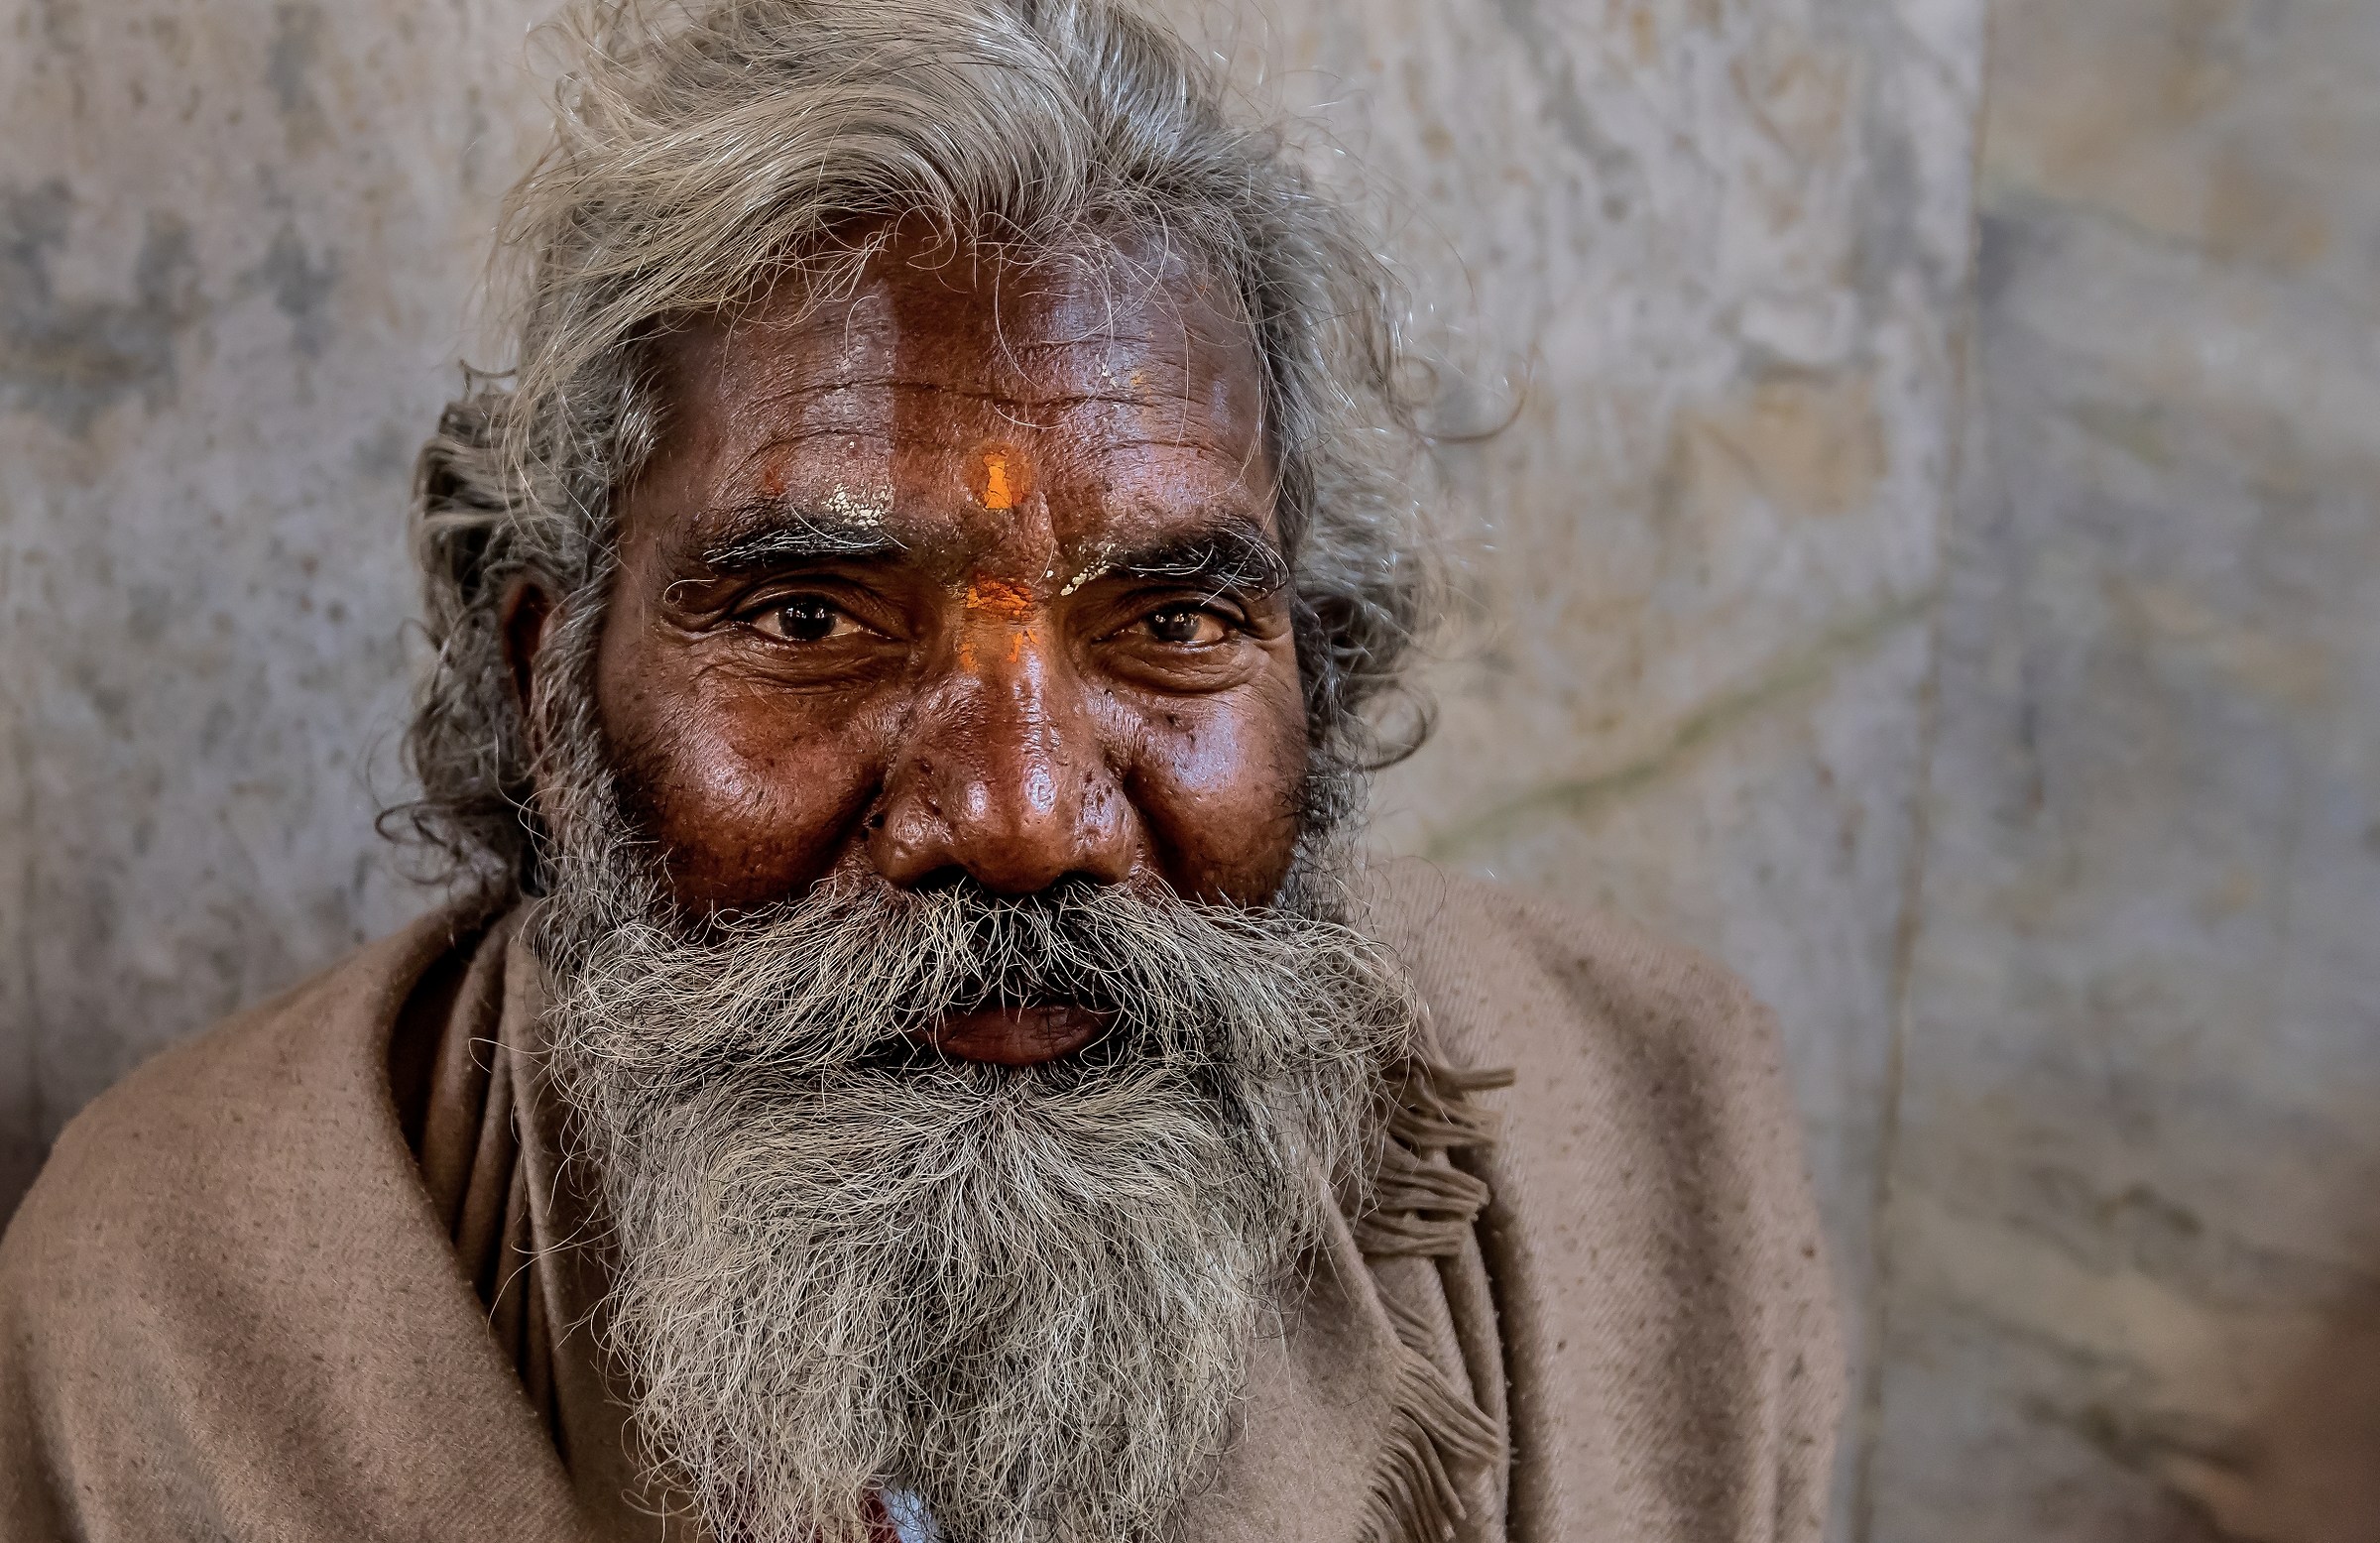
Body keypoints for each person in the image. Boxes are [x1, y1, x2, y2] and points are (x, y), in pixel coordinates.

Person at [0, 2, 1841, 1539]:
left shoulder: (1651, 1154)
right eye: (810, 619)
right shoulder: (175, 1294)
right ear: (548, 691)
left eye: (1172, 622)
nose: (1024, 818)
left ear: (1318, 675)